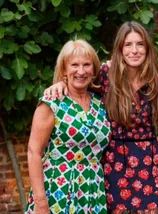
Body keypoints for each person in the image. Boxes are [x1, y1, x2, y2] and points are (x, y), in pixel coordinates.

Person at [44, 22, 158, 213]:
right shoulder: (106, 76)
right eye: (128, 45)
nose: (134, 50)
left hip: (151, 161)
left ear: (147, 48)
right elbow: (79, 79)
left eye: (140, 44)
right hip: (116, 163)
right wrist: (60, 84)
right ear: (120, 49)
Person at [25, 39, 111, 214]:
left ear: (94, 70)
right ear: (64, 69)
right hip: (58, 189)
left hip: (93, 190)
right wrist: (41, 203)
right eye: (74, 65)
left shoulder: (101, 103)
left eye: (87, 65)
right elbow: (34, 152)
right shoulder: (52, 102)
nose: (81, 71)